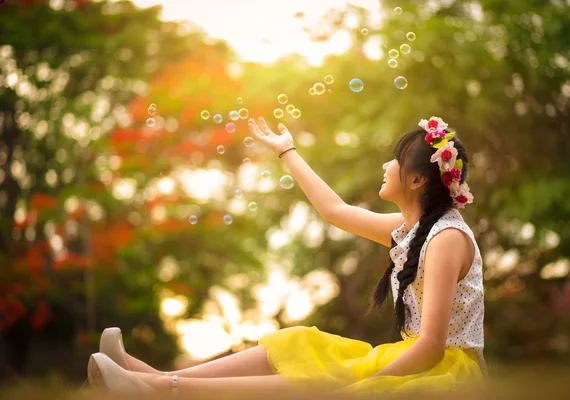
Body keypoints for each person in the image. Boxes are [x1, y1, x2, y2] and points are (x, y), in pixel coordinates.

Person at [87, 116, 486, 397]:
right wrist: (287, 151)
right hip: (414, 356)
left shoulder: (446, 238)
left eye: (395, 161)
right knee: (299, 344)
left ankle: (156, 388)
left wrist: (365, 381)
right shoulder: (414, 231)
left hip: (444, 371)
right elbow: (335, 211)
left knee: (329, 379)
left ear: (417, 179)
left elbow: (432, 345)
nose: (385, 166)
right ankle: (152, 379)